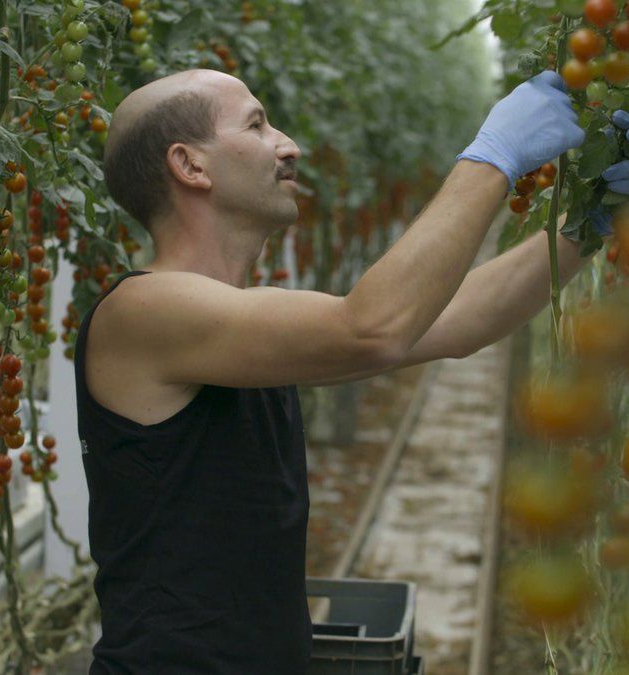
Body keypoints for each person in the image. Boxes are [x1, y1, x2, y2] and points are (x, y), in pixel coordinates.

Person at [78, 68, 590, 673]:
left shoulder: (234, 322)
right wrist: (492, 158)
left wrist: (590, 224)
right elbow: (372, 330)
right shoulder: (144, 310)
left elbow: (460, 321)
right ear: (191, 166)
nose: (288, 144)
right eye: (257, 125)